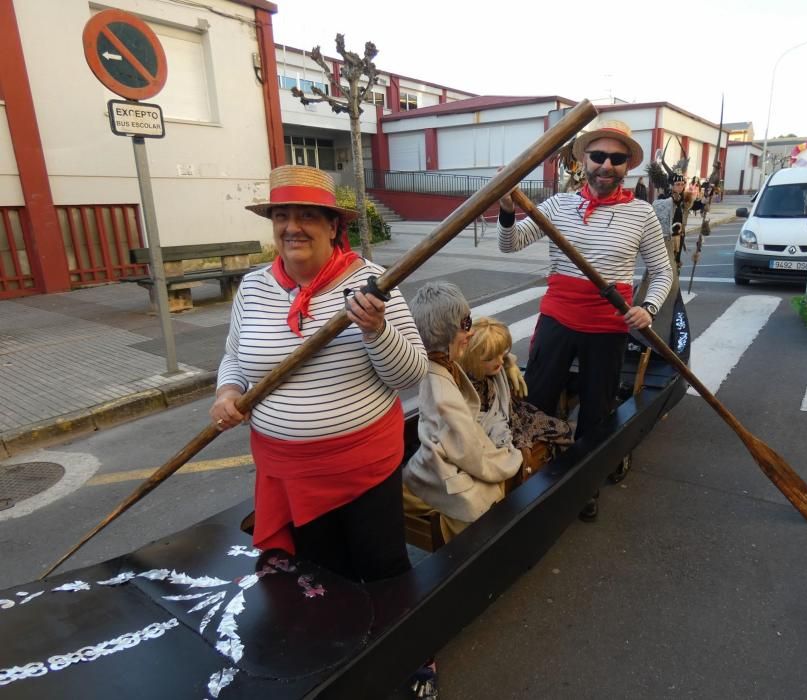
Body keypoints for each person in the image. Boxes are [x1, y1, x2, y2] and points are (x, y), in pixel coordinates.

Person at [210, 164, 428, 580]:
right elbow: (234, 356)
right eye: (282, 216)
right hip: (287, 472)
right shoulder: (253, 287)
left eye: (307, 216)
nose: (293, 227)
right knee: (317, 574)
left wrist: (376, 329)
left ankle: (403, 645)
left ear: (332, 227)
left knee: (381, 570)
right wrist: (226, 393)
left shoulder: (372, 283)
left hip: (363, 469)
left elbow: (410, 376)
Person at [498, 118, 673, 521]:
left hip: (608, 326)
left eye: (616, 158)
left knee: (597, 408)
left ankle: (585, 483)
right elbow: (510, 245)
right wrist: (506, 209)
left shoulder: (643, 214)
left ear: (627, 166)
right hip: (558, 317)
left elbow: (661, 272)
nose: (606, 165)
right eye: (598, 156)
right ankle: (533, 471)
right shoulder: (558, 206)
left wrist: (648, 309)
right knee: (537, 399)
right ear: (585, 161)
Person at [403, 282, 523, 542]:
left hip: (452, 454)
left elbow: (488, 348)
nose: (469, 333)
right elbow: (469, 454)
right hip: (441, 473)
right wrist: (507, 462)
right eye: (465, 325)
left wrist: (510, 362)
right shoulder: (441, 388)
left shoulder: (442, 362)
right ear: (443, 333)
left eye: (468, 322)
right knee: (489, 493)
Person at [459, 317, 574, 480]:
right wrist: (519, 441)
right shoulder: (469, 387)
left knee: (562, 429)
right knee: (561, 431)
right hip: (497, 427)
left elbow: (502, 357)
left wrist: (509, 364)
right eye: (491, 357)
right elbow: (486, 421)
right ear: (473, 358)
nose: (500, 360)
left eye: (502, 353)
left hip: (511, 413)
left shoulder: (490, 369)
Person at [653, 172, 703, 270]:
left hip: (680, 235)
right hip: (667, 236)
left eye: (682, 184)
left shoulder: (686, 199)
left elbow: (696, 205)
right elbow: (658, 209)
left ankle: (675, 282)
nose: (680, 186)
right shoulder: (664, 197)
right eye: (677, 184)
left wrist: (705, 200)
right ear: (672, 186)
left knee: (676, 261)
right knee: (665, 262)